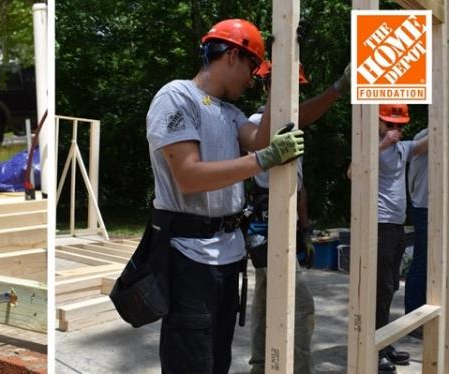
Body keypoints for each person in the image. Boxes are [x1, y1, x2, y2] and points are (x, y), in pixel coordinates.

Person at [144, 19, 305, 373]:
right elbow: (188, 176)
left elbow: (261, 140)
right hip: (190, 257)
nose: (252, 79)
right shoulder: (177, 97)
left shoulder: (229, 112)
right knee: (192, 361)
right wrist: (263, 160)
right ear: (232, 55)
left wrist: (279, 82)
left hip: (227, 256)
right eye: (251, 68)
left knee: (217, 360)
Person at [244, 60, 350, 374]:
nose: (293, 97)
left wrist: (305, 230)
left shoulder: (293, 128)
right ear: (267, 87)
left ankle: (261, 367)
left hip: (286, 224)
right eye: (285, 87)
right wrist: (337, 90)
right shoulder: (257, 123)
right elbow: (299, 114)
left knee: (265, 300)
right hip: (266, 224)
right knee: (301, 306)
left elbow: (298, 189)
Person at [372, 103, 429, 371]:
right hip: (379, 225)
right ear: (378, 123)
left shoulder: (401, 148)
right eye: (390, 124)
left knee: (391, 285)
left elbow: (425, 143)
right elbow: (353, 170)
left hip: (395, 226)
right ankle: (376, 347)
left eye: (400, 126)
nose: (395, 130)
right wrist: (382, 144)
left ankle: (384, 341)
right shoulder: (371, 148)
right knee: (380, 288)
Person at [404, 127, 430, 337]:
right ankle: (413, 318)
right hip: (426, 206)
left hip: (433, 206)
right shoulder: (424, 136)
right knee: (422, 262)